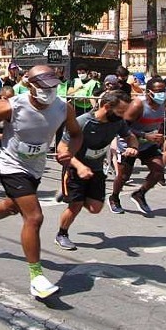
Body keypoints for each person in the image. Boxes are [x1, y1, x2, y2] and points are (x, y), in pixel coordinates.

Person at [0, 65, 82, 299]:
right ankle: (36, 278)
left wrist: (69, 150)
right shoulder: (12, 106)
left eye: (54, 87)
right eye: (43, 87)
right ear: (29, 86)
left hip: (35, 166)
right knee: (34, 216)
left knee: (14, 205)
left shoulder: (64, 108)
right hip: (11, 165)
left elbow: (76, 133)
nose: (49, 92)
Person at [55, 90, 137, 250]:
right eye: (120, 111)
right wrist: (79, 167)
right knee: (76, 205)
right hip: (74, 169)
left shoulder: (118, 122)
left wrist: (133, 146)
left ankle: (70, 195)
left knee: (95, 208)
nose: (123, 115)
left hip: (97, 169)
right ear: (107, 106)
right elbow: (61, 149)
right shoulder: (82, 122)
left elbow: (130, 136)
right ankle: (62, 234)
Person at [108, 77, 166, 215]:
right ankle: (114, 197)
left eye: (163, 90)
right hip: (129, 144)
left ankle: (139, 194)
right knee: (124, 176)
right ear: (148, 92)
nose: (162, 94)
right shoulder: (138, 105)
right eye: (158, 91)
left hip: (148, 144)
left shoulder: (163, 103)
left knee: (158, 171)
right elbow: (122, 127)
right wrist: (144, 135)